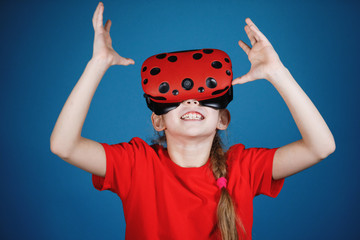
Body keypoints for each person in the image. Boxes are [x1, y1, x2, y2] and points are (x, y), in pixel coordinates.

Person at [50, 2, 336, 240]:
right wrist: (97, 63)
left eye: (203, 96)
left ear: (222, 118)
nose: (190, 101)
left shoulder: (244, 168)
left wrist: (277, 72)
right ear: (158, 121)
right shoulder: (136, 165)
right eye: (177, 98)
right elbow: (64, 145)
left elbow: (320, 147)